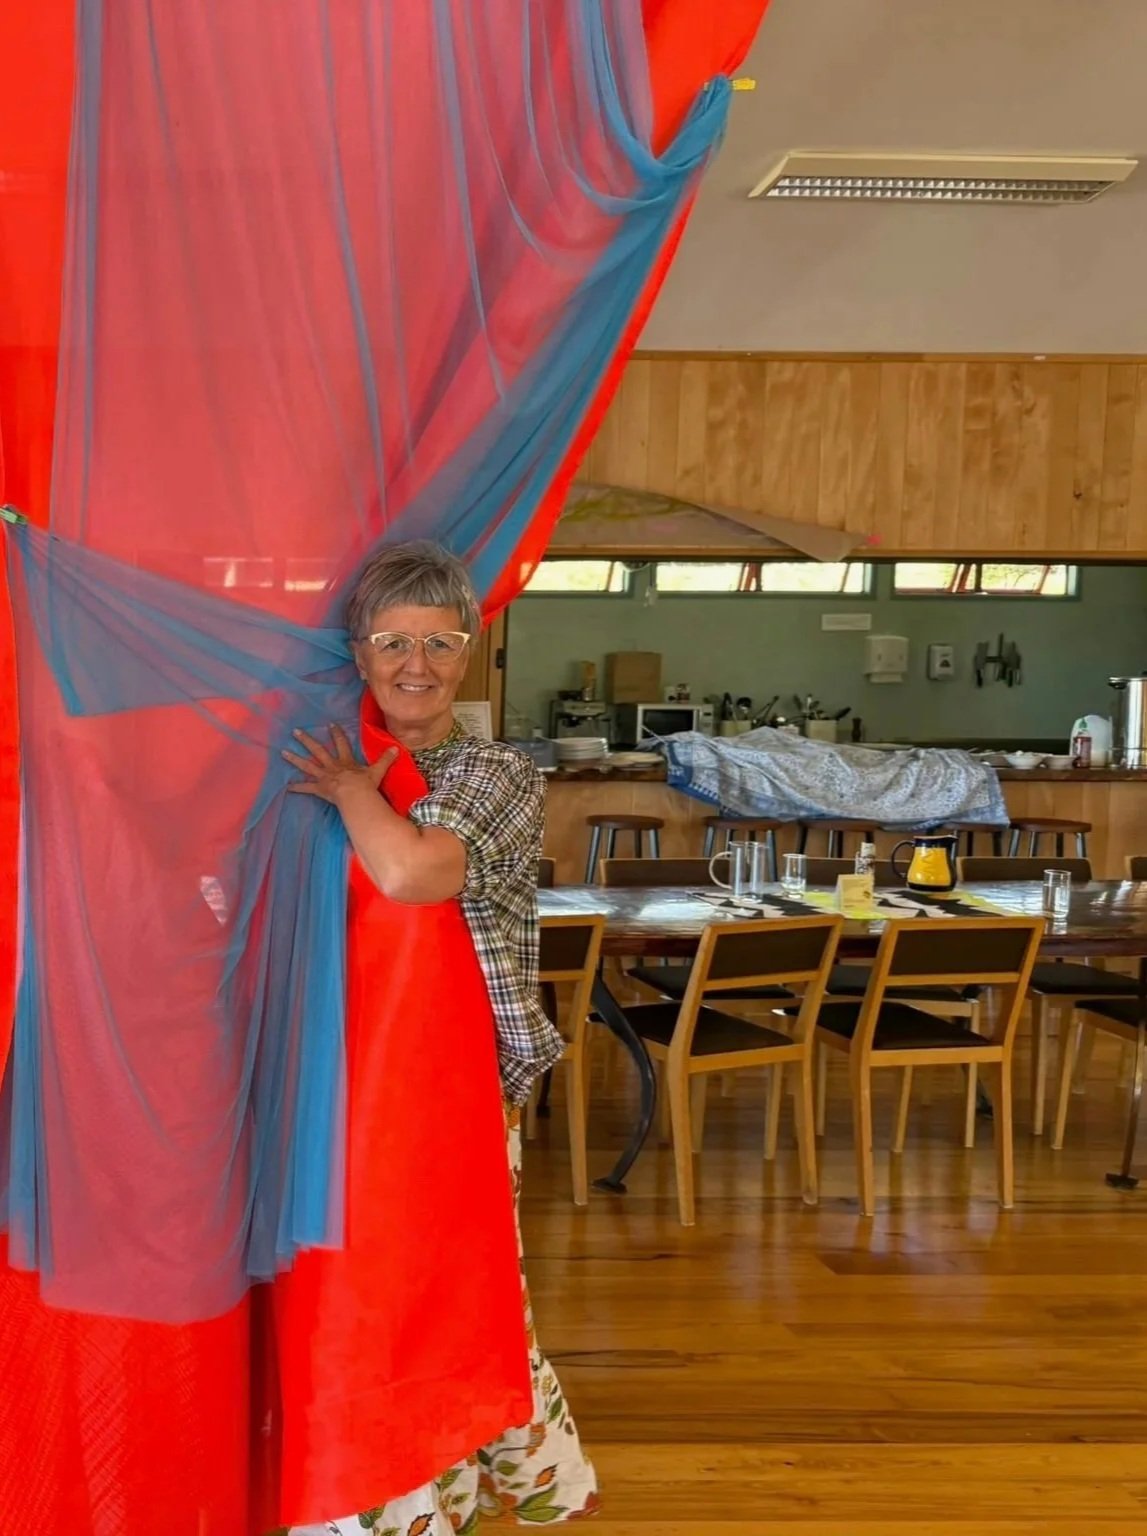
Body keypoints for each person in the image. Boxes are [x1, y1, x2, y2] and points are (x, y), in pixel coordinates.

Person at [277, 540, 599, 1534]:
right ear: (357, 649)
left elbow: (414, 872)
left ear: (469, 651)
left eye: (440, 643)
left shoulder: (492, 770)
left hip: (454, 1085)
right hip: (339, 1078)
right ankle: (378, 1490)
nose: (416, 666)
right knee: (363, 1291)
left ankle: (448, 1490)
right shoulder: (331, 750)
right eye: (392, 642)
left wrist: (347, 793)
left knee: (452, 1290)